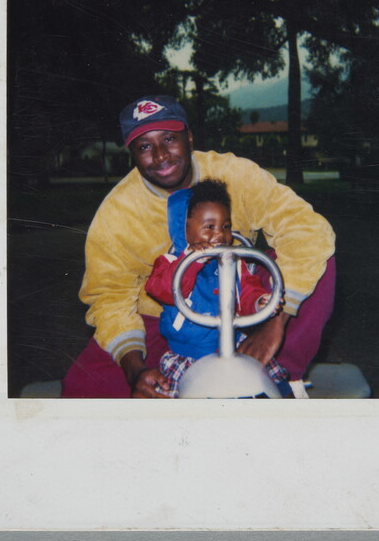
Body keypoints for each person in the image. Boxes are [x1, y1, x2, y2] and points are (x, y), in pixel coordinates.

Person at [61, 95, 336, 399]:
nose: (161, 155)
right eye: (145, 146)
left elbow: (307, 229)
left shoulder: (235, 173)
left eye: (169, 138)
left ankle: (280, 373)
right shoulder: (118, 211)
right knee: (81, 388)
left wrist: (275, 320)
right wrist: (134, 368)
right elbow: (109, 297)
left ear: (189, 137)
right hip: (164, 319)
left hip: (243, 302)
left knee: (318, 260)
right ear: (132, 154)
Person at [145, 179, 292, 398]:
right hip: (188, 355)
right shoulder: (170, 262)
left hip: (233, 344)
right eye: (209, 227)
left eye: (225, 226)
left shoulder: (231, 261)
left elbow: (247, 289)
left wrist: (259, 301)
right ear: (183, 228)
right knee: (173, 400)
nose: (219, 235)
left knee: (271, 378)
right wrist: (192, 259)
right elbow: (163, 289)